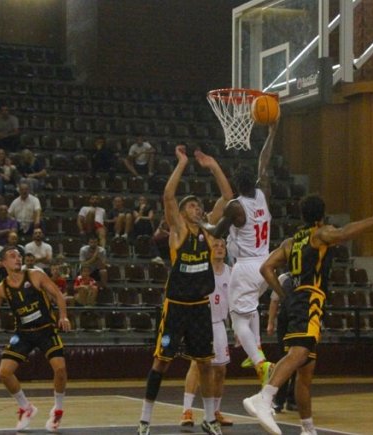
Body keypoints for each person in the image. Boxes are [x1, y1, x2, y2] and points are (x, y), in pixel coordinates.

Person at [247, 194, 373, 435]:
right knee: (299, 353)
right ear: (321, 216)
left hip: (298, 299)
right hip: (310, 298)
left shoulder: (290, 242)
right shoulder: (319, 234)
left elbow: (266, 268)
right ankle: (264, 397)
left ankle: (308, 429)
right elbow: (345, 233)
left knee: (305, 371)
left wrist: (284, 295)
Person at [137, 145, 233, 435]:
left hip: (200, 307)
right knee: (161, 363)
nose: (197, 208)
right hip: (176, 307)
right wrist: (181, 163)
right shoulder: (178, 230)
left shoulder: (208, 231)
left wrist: (213, 166)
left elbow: (227, 198)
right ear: (181, 213)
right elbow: (168, 196)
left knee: (205, 364)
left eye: (198, 205)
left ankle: (209, 418)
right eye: (191, 205)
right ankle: (145, 419)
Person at [201, 122, 279, 385]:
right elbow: (264, 164)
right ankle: (255, 347)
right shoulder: (263, 194)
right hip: (266, 264)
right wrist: (272, 133)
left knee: (237, 321)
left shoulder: (236, 207)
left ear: (237, 185)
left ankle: (260, 362)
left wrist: (202, 223)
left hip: (245, 267)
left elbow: (216, 232)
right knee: (251, 308)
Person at [0, 246, 70, 432]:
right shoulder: (1, 289)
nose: (17, 258)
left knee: (60, 368)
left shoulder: (35, 275)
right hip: (23, 333)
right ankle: (26, 407)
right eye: (12, 256)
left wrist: (63, 316)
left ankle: (58, 409)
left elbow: (57, 294)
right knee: (3, 373)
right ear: (3, 263)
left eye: (19, 255)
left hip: (46, 329)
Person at [180, 237, 233, 428]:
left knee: (220, 370)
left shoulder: (231, 272)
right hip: (201, 322)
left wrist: (236, 327)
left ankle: (215, 411)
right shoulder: (202, 269)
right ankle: (186, 411)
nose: (219, 248)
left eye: (222, 246)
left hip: (219, 323)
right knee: (197, 364)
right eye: (215, 245)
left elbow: (234, 301)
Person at [267, 273, 297, 413]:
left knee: (300, 361)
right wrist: (270, 322)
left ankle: (292, 399)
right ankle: (278, 399)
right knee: (285, 358)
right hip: (286, 322)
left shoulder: (308, 276)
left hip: (300, 321)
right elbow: (274, 301)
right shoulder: (283, 278)